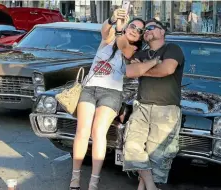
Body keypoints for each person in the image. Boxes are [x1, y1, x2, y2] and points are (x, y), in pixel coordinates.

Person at [69, 9, 160, 190]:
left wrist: (120, 30)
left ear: (141, 37)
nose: (134, 30)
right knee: (82, 130)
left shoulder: (133, 51)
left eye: (139, 30)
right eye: (132, 25)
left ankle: (94, 182)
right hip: (89, 88)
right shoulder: (108, 39)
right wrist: (112, 19)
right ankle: (75, 178)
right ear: (127, 26)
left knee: (98, 132)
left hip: (111, 92)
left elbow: (124, 48)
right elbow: (105, 31)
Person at [122, 18, 185, 190]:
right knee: (132, 148)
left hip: (166, 109)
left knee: (156, 157)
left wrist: (142, 68)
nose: (147, 31)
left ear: (162, 32)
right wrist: (150, 64)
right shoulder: (142, 54)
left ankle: (144, 187)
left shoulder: (172, 49)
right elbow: (129, 71)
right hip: (141, 106)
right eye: (145, 30)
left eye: (152, 27)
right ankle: (150, 187)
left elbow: (167, 70)